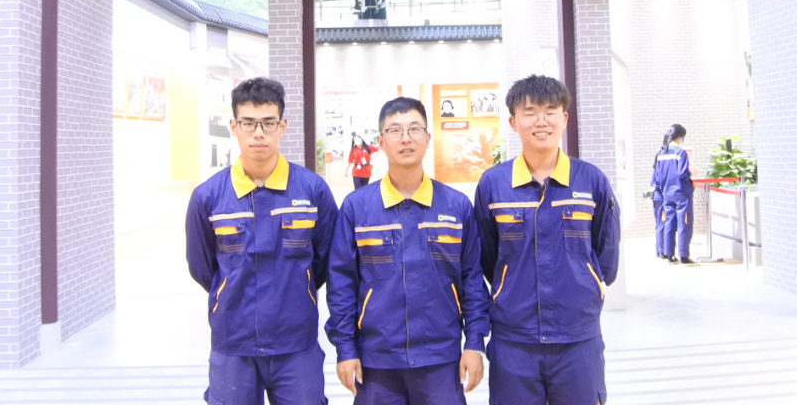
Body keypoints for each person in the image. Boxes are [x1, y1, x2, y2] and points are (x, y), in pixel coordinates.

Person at [326, 97, 490, 405]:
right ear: (380, 142)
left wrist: (475, 343)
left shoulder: (456, 206)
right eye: (395, 130)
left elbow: (472, 280)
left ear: (427, 138)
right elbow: (341, 283)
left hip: (441, 359)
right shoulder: (357, 208)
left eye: (414, 129)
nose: (405, 139)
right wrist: (345, 349)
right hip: (376, 362)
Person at [186, 77, 338, 405]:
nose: (258, 133)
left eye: (268, 123)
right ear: (234, 126)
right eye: (248, 123)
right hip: (233, 343)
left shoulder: (313, 191)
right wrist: (230, 292)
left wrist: (299, 287)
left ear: (282, 126)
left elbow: (326, 261)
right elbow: (202, 268)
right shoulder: (208, 197)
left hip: (296, 343)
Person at [474, 75, 620, 405]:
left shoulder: (591, 181)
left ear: (564, 118)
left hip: (577, 338)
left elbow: (606, 256)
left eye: (550, 111)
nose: (541, 121)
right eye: (530, 112)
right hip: (514, 339)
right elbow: (487, 257)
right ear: (513, 122)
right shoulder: (493, 185)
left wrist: (585, 281)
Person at [657, 124, 695, 265]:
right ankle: (684, 255)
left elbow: (659, 175)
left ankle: (669, 254)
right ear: (681, 137)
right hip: (681, 194)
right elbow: (682, 173)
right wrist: (691, 173)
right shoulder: (680, 153)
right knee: (684, 224)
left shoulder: (661, 154)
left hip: (667, 193)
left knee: (669, 223)